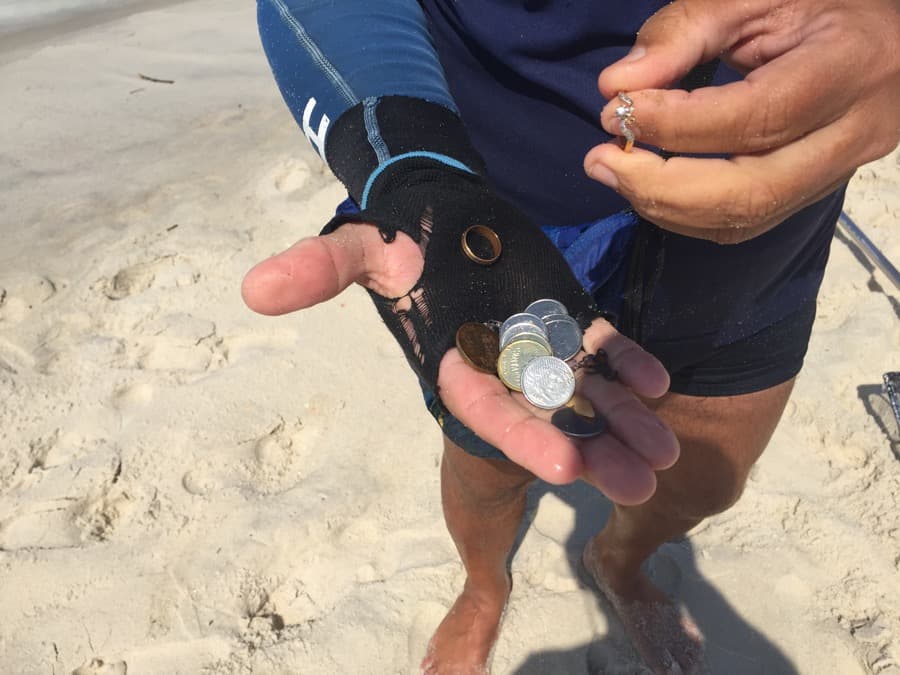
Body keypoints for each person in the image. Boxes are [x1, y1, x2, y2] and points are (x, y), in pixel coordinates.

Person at [241, 1, 900, 672]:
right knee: (488, 465)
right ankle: (485, 583)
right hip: (511, 200)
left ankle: (617, 558)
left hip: (775, 190)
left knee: (707, 478)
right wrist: (412, 165)